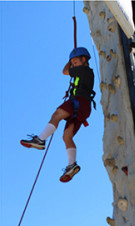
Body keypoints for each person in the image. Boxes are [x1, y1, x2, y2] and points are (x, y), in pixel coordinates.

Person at [20, 47, 95, 182]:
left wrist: (69, 61)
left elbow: (64, 71)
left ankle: (40, 140)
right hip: (83, 108)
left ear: (84, 60)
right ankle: (72, 165)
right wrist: (73, 60)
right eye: (72, 63)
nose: (73, 65)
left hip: (79, 102)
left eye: (75, 62)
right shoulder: (84, 71)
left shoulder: (84, 70)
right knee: (67, 137)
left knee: (57, 115)